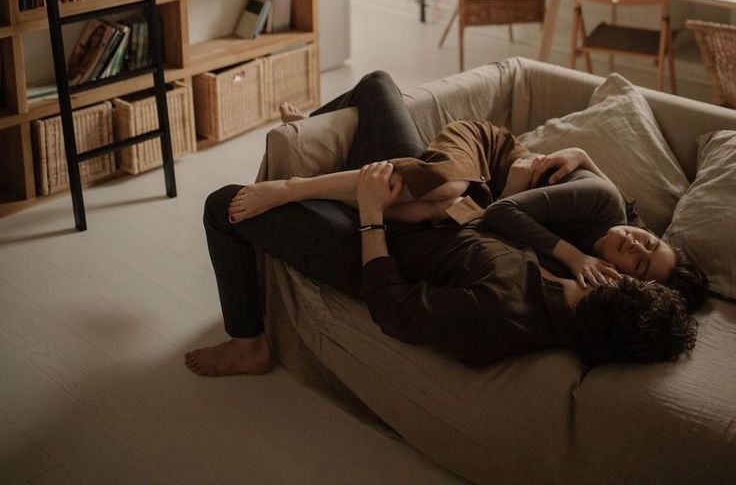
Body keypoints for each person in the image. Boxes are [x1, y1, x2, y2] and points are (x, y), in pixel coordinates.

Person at [186, 71, 697, 378]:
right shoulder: (571, 276)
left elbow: (394, 308)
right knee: (379, 86)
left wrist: (369, 215)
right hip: (434, 211)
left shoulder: (503, 317)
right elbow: (505, 227)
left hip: (370, 242)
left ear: (611, 295)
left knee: (221, 206)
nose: (614, 269)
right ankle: (312, 149)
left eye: (626, 275)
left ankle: (249, 345)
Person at [482, 148, 709, 310]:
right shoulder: (607, 207)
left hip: (486, 193)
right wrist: (574, 257)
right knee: (447, 194)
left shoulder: (593, 273)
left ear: (628, 281)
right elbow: (496, 213)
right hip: (492, 153)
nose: (635, 245)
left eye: (640, 263)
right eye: (650, 242)